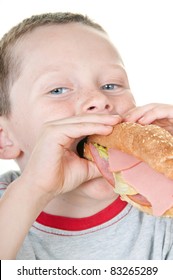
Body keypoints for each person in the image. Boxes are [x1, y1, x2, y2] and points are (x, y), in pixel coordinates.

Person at [0, 12, 172, 260]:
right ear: (5, 139)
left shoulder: (161, 206)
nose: (99, 100)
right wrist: (33, 188)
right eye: (58, 90)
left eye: (111, 85)